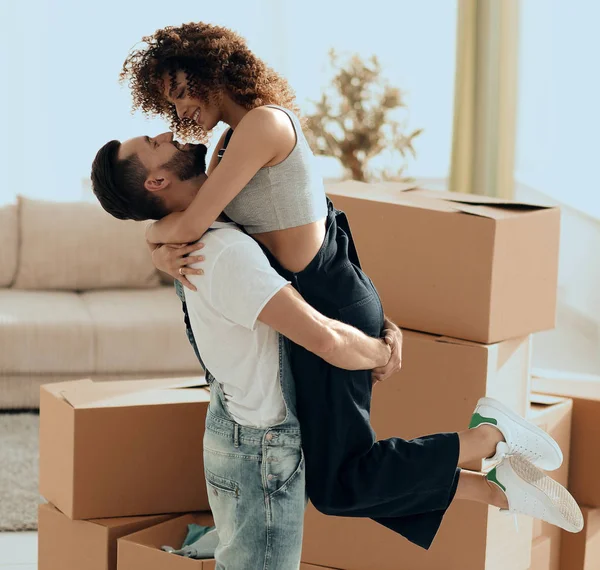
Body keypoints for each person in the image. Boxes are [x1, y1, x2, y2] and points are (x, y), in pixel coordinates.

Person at [91, 128, 583, 570]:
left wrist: (154, 237)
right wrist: (381, 355)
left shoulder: (214, 204)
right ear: (156, 184)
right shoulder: (218, 247)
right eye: (155, 145)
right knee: (340, 487)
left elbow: (178, 225)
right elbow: (323, 339)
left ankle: (490, 459)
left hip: (256, 420)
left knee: (341, 486)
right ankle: (491, 471)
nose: (171, 131)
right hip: (258, 433)